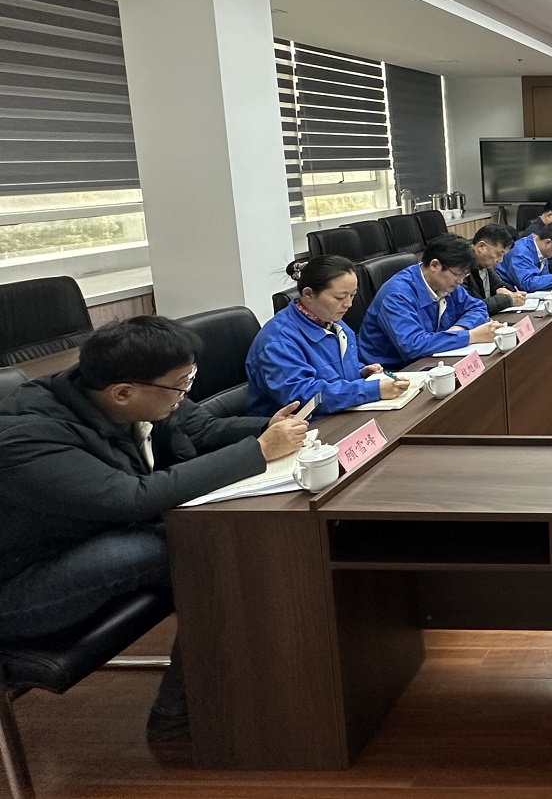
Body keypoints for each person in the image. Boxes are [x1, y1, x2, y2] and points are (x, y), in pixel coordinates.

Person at [0, 316, 309, 741]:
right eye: (181, 385)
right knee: (200, 547)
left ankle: (242, 680)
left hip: (84, 544)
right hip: (19, 591)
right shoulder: (26, 436)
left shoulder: (135, 389)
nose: (186, 394)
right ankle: (187, 711)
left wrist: (270, 430)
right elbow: (131, 497)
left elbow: (202, 429)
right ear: (123, 393)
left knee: (216, 544)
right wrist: (257, 453)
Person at [246, 256, 410, 417]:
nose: (348, 304)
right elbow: (303, 397)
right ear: (308, 294)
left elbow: (334, 374)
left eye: (352, 295)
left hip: (341, 414)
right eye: (340, 297)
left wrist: (360, 372)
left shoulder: (334, 324)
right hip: (304, 427)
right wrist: (371, 390)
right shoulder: (278, 341)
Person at [357, 234, 496, 368]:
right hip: (392, 369)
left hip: (431, 357)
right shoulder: (397, 295)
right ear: (434, 265)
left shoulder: (446, 284)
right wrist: (470, 336)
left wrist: (459, 329)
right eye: (458, 274)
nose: (460, 281)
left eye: (464, 275)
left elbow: (477, 307)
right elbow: (412, 345)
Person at [465, 224, 526, 315]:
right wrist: (507, 300)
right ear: (481, 247)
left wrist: (502, 289)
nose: (500, 260)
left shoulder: (484, 263)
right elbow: (469, 307)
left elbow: (498, 283)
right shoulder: (461, 268)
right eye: (499, 254)